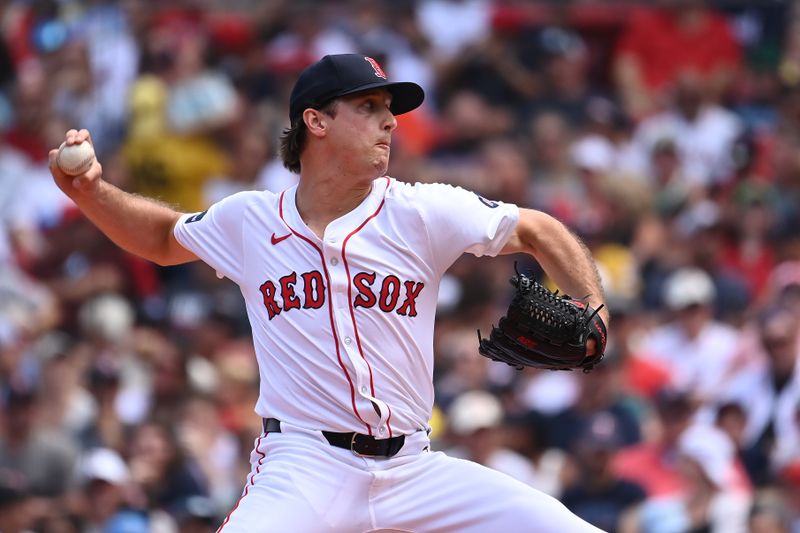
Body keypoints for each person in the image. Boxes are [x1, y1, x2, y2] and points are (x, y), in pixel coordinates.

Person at [49, 54, 608, 532]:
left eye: (390, 111)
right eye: (369, 108)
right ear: (315, 121)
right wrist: (92, 192)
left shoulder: (420, 210)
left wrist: (594, 305)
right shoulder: (251, 220)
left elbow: (537, 229)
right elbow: (162, 238)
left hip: (415, 468)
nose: (389, 123)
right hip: (304, 465)